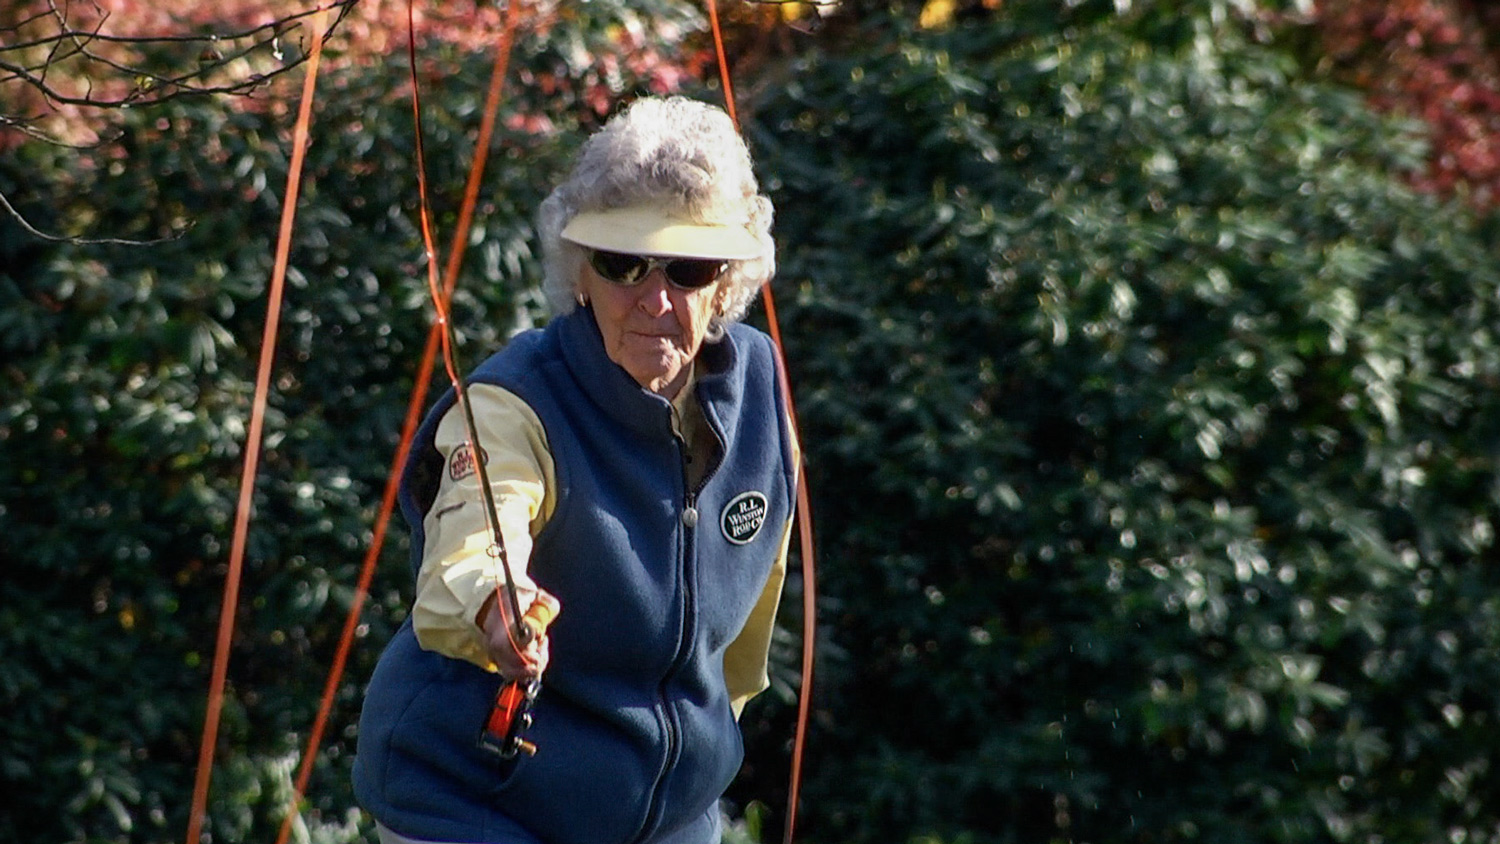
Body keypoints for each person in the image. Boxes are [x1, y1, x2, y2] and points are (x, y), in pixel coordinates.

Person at [353, 95, 798, 844]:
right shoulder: (513, 402)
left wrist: (700, 741)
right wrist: (501, 607)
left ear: (727, 283)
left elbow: (752, 612)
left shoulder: (760, 385)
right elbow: (472, 544)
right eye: (623, 264)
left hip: (667, 814)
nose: (654, 299)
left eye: (689, 270)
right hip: (475, 800)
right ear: (579, 273)